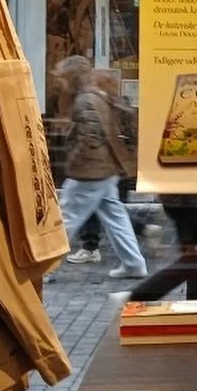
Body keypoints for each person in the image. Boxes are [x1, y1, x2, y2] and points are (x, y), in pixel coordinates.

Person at [53, 56, 148, 280]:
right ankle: (134, 264)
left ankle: (43, 269)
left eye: (63, 76)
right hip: (104, 170)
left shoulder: (86, 100)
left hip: (90, 171)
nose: (59, 81)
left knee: (65, 218)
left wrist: (73, 164)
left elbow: (90, 138)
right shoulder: (95, 96)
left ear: (72, 77)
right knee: (116, 217)